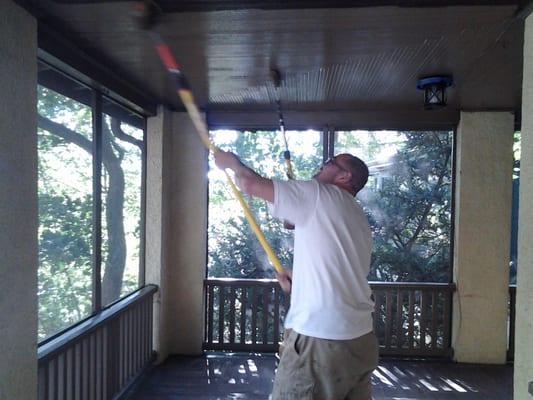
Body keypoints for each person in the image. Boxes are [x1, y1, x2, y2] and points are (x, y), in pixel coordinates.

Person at [214, 150, 378, 400]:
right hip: (359, 340)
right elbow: (337, 272)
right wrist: (301, 280)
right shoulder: (354, 214)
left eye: (330, 162)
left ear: (345, 177)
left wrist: (232, 163)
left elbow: (249, 184)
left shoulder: (320, 195)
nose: (323, 164)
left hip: (321, 341)